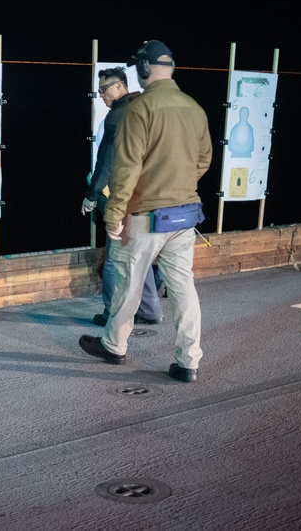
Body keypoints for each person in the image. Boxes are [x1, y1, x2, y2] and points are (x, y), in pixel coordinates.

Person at [78, 40, 212, 383]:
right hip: (185, 215)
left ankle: (114, 346)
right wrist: (177, 183)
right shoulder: (194, 107)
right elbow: (203, 161)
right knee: (184, 288)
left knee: (129, 284)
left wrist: (113, 215)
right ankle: (188, 362)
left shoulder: (140, 110)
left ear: (143, 70)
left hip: (145, 216)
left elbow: (126, 169)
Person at [83, 67, 164, 327]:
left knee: (113, 256)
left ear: (119, 86)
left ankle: (112, 314)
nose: (101, 96)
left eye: (103, 90)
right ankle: (150, 309)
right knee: (141, 253)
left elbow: (106, 163)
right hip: (155, 196)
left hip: (127, 198)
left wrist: (91, 195)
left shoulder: (117, 116)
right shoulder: (149, 108)